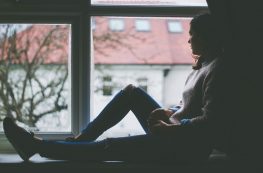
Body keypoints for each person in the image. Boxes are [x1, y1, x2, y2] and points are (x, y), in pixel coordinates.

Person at [3, 13, 225, 162]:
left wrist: (170, 128)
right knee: (131, 92)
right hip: (173, 133)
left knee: (109, 146)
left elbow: (212, 123)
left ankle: (37, 146)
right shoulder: (203, 65)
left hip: (186, 149)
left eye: (192, 35)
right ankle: (80, 141)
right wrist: (169, 112)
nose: (189, 41)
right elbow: (189, 105)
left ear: (207, 37)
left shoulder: (219, 69)